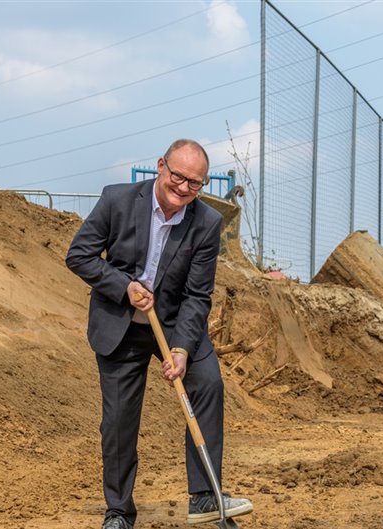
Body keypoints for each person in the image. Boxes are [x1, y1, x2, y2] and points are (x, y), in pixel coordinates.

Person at [66, 139, 252, 529]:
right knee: (118, 420)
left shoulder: (206, 223)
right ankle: (119, 511)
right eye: (178, 176)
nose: (183, 188)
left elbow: (198, 295)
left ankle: (205, 497)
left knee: (208, 385)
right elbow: (79, 255)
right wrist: (123, 287)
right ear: (160, 166)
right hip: (121, 323)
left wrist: (182, 349)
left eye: (195, 183)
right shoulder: (117, 200)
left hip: (175, 323)